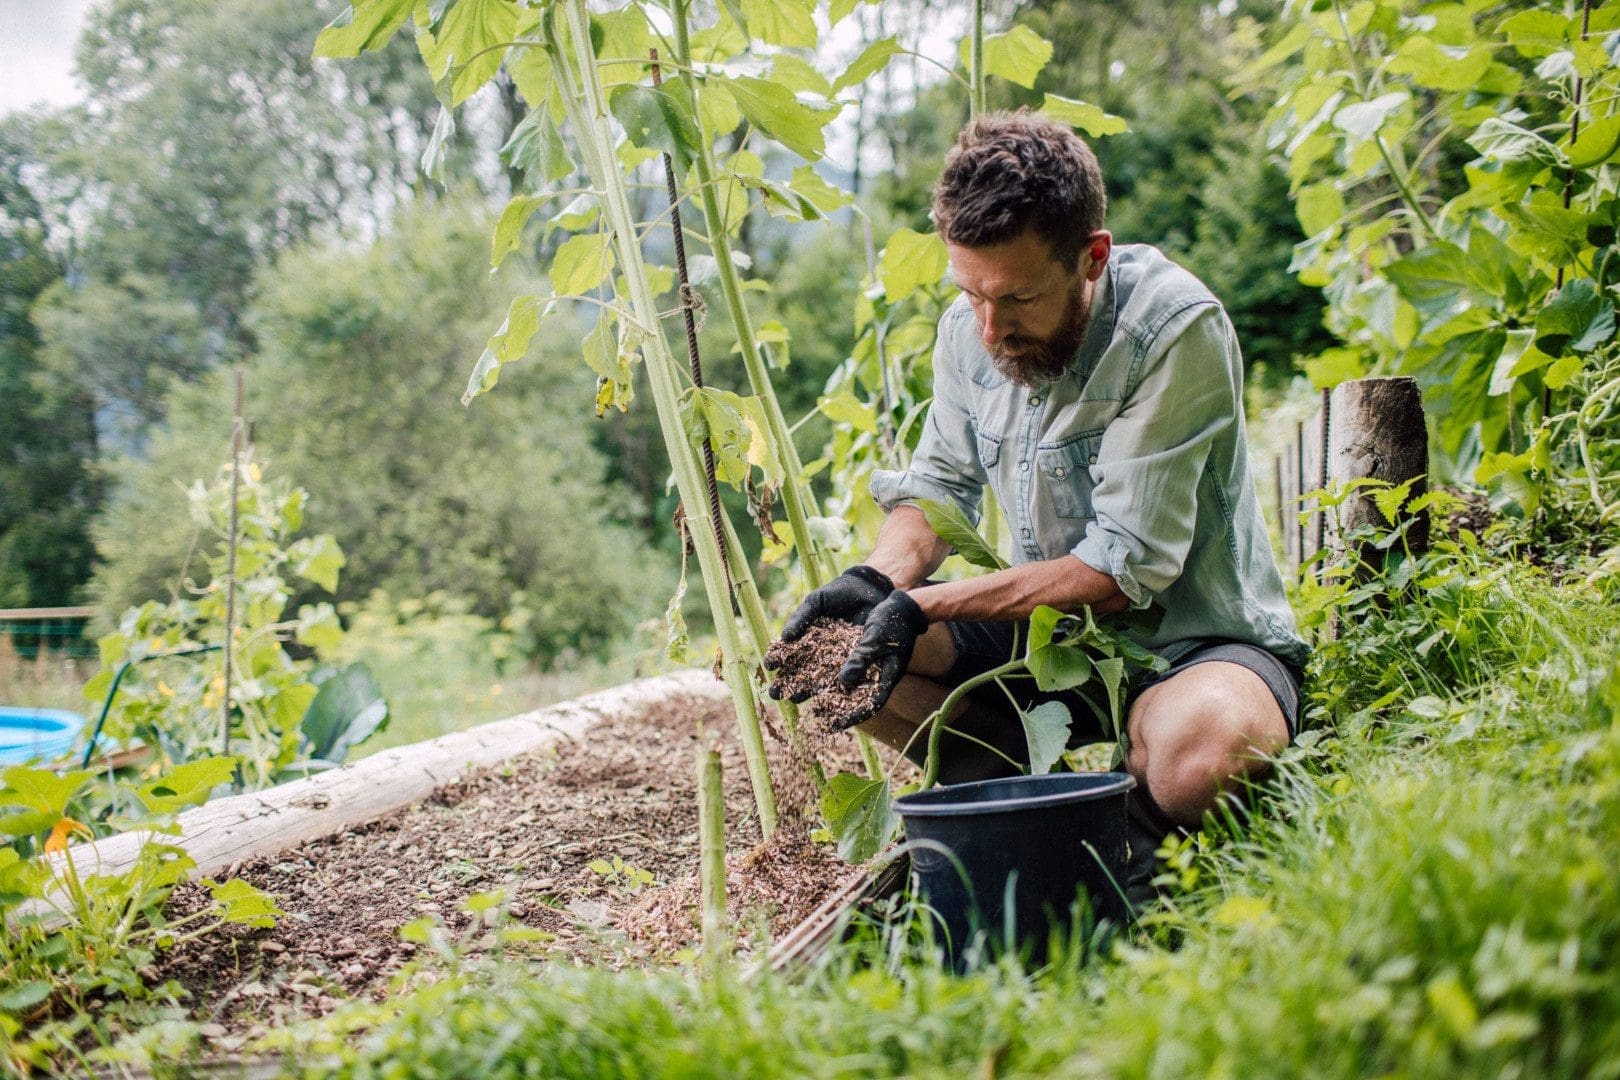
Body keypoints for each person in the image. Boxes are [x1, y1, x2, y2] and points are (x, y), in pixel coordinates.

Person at [769, 110, 1308, 905]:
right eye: (972, 295)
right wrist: (876, 579)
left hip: (1193, 645)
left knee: (1206, 756)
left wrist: (919, 605)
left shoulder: (1172, 329)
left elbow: (1120, 570)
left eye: (1018, 297)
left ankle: (1124, 858)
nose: (991, 328)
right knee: (839, 649)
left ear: (1092, 258)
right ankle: (1009, 793)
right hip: (1053, 647)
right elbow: (938, 488)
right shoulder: (972, 329)